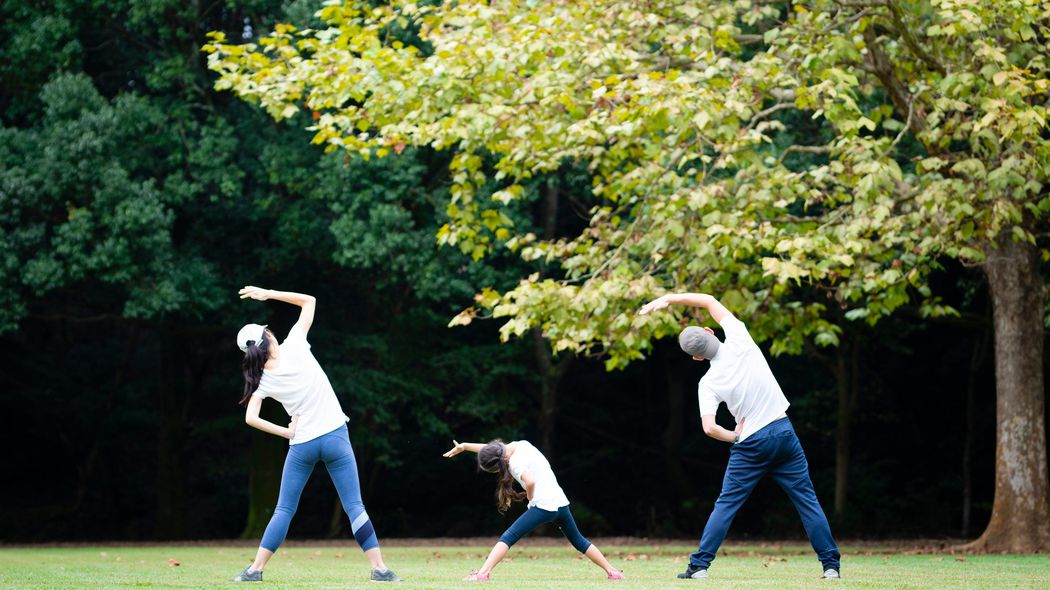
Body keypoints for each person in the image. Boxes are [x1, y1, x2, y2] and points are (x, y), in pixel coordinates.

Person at [639, 292, 841, 580]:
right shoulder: (739, 338)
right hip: (783, 432)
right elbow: (708, 300)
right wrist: (669, 299)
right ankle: (830, 566)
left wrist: (735, 436)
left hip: (750, 445)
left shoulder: (707, 383)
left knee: (726, 505)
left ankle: (699, 567)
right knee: (807, 501)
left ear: (697, 357)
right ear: (710, 331)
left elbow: (709, 428)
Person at [231, 286, 399, 583]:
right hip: (335, 436)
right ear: (268, 337)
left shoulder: (262, 380)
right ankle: (380, 569)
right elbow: (309, 301)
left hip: (302, 444)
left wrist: (286, 431)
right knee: (354, 506)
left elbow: (250, 418)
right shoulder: (295, 344)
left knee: (284, 508)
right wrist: (267, 293)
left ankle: (255, 570)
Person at [442, 439, 625, 582]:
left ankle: (482, 574)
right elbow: (495, 450)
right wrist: (465, 446)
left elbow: (529, 481)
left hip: (543, 506)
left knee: (508, 537)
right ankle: (612, 572)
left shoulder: (514, 463)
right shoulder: (520, 445)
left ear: (500, 464)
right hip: (560, 503)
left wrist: (530, 498)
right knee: (579, 541)